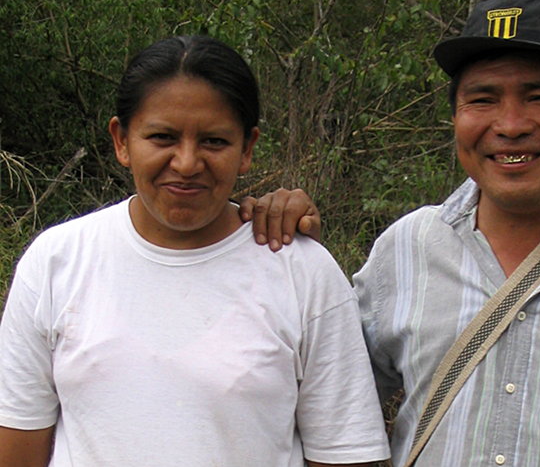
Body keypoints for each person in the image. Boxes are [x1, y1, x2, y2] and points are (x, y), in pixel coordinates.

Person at [241, 0, 540, 466]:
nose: (511, 125)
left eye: (539, 97)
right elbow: (320, 398)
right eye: (483, 100)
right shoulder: (406, 249)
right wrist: (255, 242)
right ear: (455, 118)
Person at [0, 35, 390, 466]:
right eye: (162, 137)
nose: (186, 163)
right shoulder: (58, 261)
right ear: (122, 141)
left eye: (214, 142)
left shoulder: (302, 271)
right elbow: (18, 445)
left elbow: (344, 454)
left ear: (248, 148)